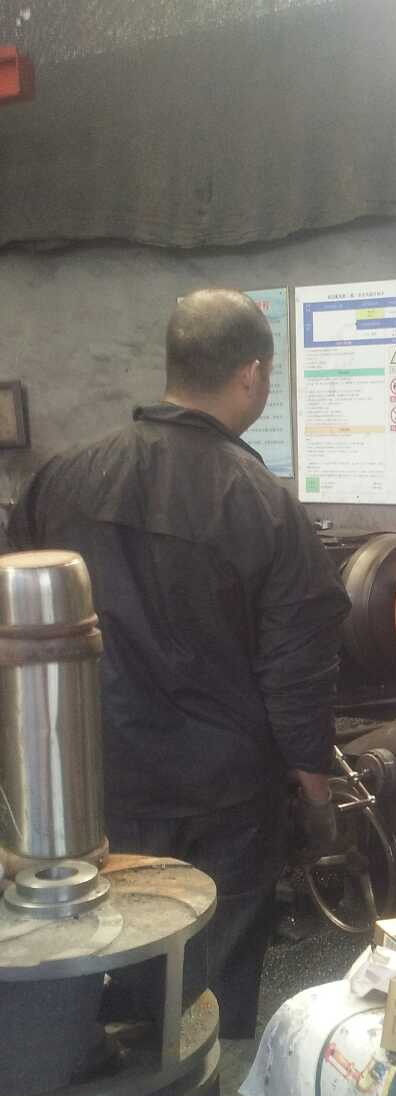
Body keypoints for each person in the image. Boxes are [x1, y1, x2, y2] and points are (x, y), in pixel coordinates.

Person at [10, 288, 351, 1036]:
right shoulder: (262, 503)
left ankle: (115, 1076)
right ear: (252, 374)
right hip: (223, 800)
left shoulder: (62, 478)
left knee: (105, 952)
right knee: (213, 983)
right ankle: (206, 1093)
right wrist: (316, 794)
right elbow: (297, 669)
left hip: (92, 785)